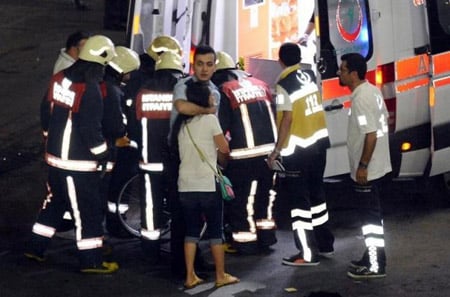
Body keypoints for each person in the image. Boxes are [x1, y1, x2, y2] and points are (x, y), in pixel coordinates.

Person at [24, 35, 118, 274]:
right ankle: (92, 261)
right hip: (78, 165)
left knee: (55, 204)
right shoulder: (91, 89)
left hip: (55, 158)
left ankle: (35, 247)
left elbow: (46, 111)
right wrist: (104, 153)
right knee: (88, 211)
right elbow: (90, 129)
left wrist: (49, 138)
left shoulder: (60, 78)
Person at [266, 42, 334, 266]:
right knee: (318, 197)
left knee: (300, 204)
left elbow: (287, 119)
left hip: (297, 150)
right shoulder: (309, 76)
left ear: (280, 61)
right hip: (319, 145)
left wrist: (275, 152)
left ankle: (306, 254)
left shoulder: (284, 85)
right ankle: (325, 245)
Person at [170, 80, 239, 289]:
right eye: (210, 95)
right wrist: (222, 157)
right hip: (207, 184)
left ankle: (190, 276)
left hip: (185, 185)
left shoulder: (181, 125)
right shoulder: (210, 120)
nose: (213, 98)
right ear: (203, 98)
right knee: (215, 232)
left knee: (191, 231)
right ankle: (220, 275)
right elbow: (224, 149)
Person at [211, 51, 278, 255]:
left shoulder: (225, 91)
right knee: (265, 198)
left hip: (242, 156)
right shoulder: (260, 85)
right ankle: (266, 238)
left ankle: (245, 242)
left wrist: (221, 158)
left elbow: (220, 129)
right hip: (269, 153)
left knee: (242, 202)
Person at [121, 51, 185, 262]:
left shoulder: (143, 93)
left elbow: (134, 125)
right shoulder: (182, 92)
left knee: (150, 205)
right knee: (178, 205)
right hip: (176, 162)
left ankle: (150, 248)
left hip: (149, 161)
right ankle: (180, 248)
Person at [337, 53, 391, 279]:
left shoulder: (360, 99)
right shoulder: (372, 91)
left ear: (354, 74)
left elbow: (370, 135)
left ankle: (375, 266)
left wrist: (362, 166)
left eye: (342, 69)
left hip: (369, 169)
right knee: (372, 218)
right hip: (378, 165)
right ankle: (372, 257)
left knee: (370, 222)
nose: (339, 73)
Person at [168, 44, 219, 277]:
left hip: (202, 161)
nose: (204, 69)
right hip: (179, 157)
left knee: (196, 218)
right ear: (193, 65)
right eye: (200, 64)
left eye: (209, 64)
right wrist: (206, 111)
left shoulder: (215, 91)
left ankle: (195, 263)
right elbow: (181, 106)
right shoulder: (184, 85)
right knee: (181, 216)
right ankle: (180, 266)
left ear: (215, 66)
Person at [102, 46, 141, 238]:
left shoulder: (104, 84)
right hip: (111, 150)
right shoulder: (114, 92)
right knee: (115, 187)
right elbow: (116, 124)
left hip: (104, 148)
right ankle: (115, 225)